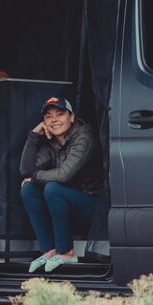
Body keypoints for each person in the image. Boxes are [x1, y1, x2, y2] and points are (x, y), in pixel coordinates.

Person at [19, 96, 103, 273]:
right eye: (48, 116)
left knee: (53, 188)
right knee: (28, 189)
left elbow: (64, 175)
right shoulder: (51, 141)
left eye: (60, 114)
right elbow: (26, 171)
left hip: (95, 209)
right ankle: (50, 250)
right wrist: (34, 136)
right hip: (67, 208)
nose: (54, 120)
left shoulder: (84, 136)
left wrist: (34, 177)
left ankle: (66, 252)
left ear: (71, 117)